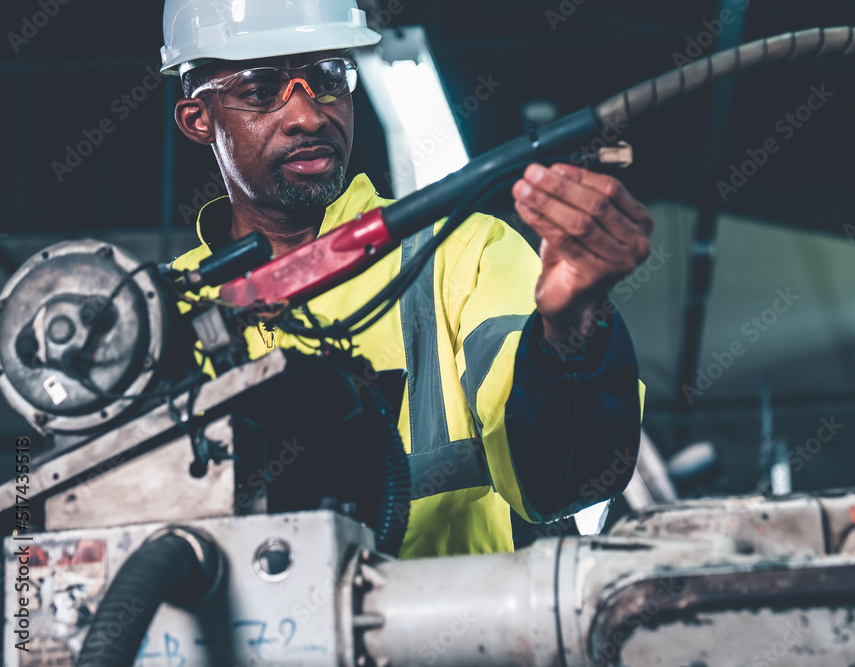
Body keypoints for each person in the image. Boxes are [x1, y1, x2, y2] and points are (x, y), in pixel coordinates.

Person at [164, 0, 652, 559]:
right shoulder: (157, 314)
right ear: (198, 119)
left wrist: (571, 330)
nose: (309, 116)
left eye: (327, 78)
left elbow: (565, 484)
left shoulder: (462, 251)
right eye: (260, 91)